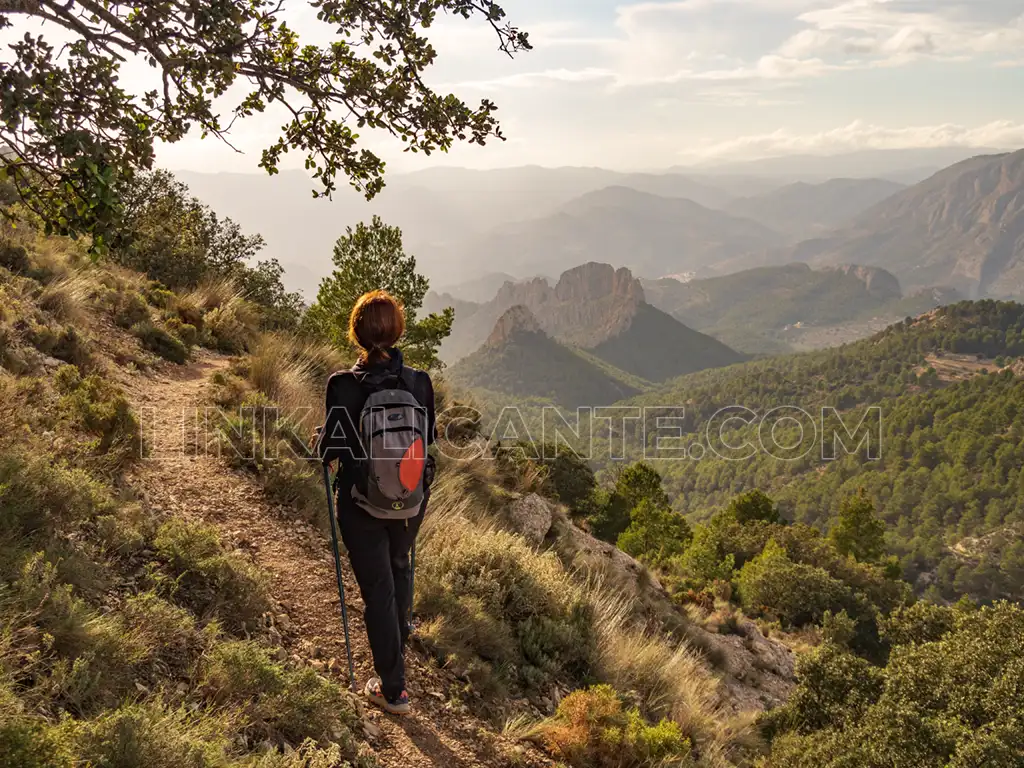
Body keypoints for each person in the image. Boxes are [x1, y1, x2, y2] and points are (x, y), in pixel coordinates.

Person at [314, 290, 436, 716]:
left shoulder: (342, 385)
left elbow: (330, 452)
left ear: (357, 334)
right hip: (411, 500)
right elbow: (429, 441)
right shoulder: (420, 382)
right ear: (398, 329)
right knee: (400, 569)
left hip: (361, 503)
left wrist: (323, 441)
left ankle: (394, 689)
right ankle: (397, 650)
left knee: (378, 589)